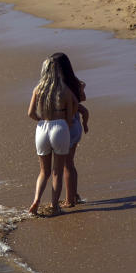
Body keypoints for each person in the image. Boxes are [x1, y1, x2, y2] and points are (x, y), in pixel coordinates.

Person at [27, 54, 79, 216]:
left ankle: (36, 199)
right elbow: (71, 115)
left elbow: (30, 113)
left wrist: (41, 120)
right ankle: (55, 205)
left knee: (44, 171)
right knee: (57, 171)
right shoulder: (65, 90)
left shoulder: (38, 89)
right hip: (60, 127)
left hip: (42, 128)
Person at [52, 52, 90, 208]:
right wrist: (85, 124)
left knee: (67, 165)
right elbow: (83, 105)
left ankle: (70, 199)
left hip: (65, 126)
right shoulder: (74, 83)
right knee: (70, 163)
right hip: (76, 125)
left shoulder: (57, 87)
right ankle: (73, 194)